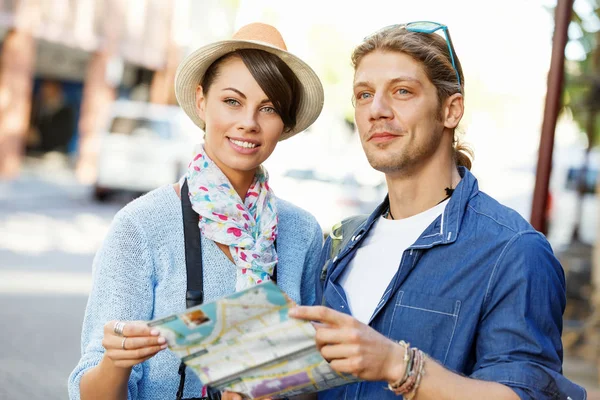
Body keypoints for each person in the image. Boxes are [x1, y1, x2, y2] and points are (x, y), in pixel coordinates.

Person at [287, 22, 587, 399]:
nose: (376, 110)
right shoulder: (340, 241)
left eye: (402, 91)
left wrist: (399, 365)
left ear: (450, 109)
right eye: (363, 95)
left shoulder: (514, 251)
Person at [68, 22, 325, 400]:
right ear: (202, 100)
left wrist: (286, 370)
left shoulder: (302, 232)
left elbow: (310, 388)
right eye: (233, 101)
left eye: (268, 108)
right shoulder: (140, 225)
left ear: (284, 125)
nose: (248, 123)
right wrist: (116, 361)